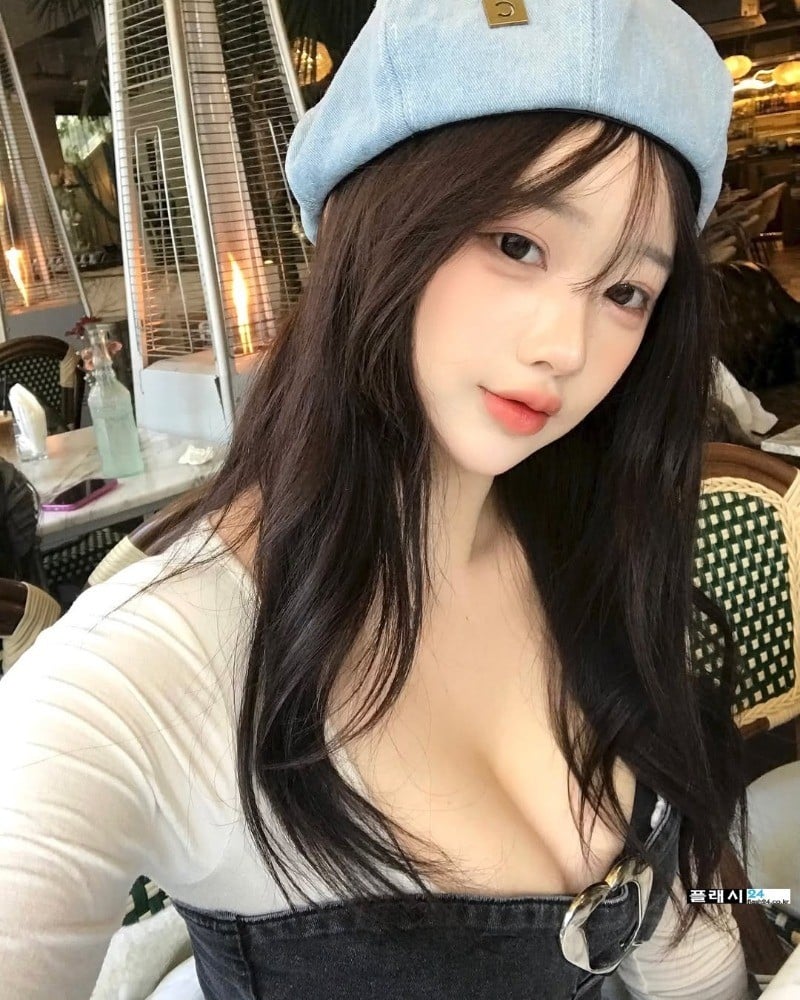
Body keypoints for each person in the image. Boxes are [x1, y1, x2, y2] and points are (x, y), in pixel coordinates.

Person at [0, 1, 763, 997]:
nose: (565, 347)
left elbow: (684, 934)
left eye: (625, 292)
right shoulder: (144, 670)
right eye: (516, 244)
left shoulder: (588, 548)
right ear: (379, 223)